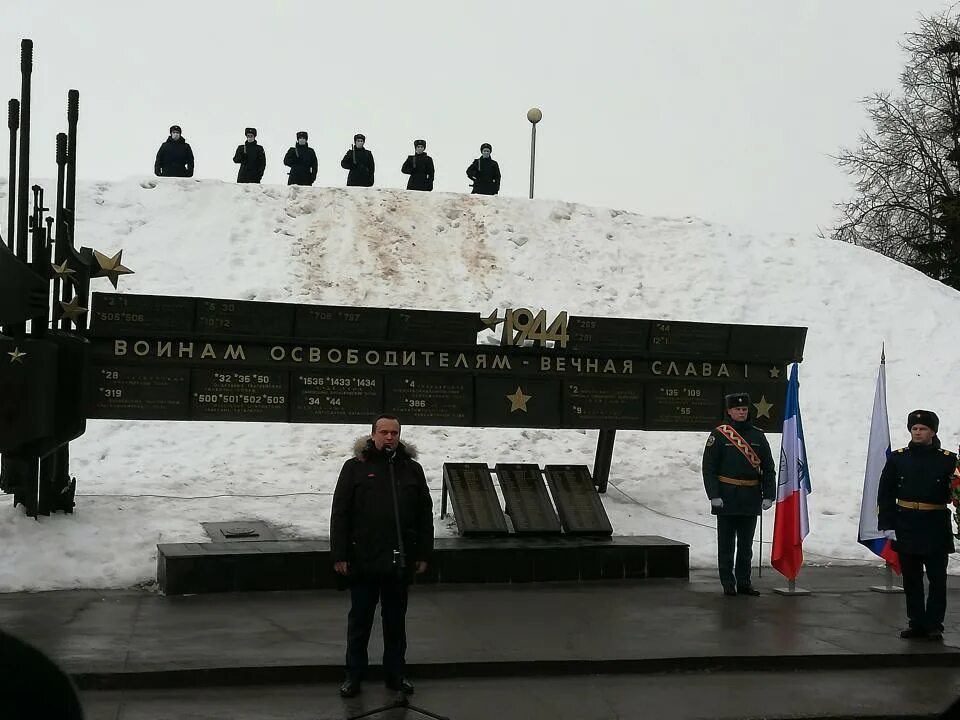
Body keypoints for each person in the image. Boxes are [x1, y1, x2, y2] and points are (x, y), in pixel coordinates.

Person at [330, 414, 433, 698]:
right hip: (363, 558)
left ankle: (396, 675)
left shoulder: (411, 470)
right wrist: (339, 554)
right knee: (360, 621)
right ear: (373, 435)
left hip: (398, 561)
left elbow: (424, 514)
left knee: (395, 622)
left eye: (394, 433)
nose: (389, 437)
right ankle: (353, 675)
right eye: (384, 432)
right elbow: (340, 513)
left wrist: (423, 553)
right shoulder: (355, 467)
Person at [878, 410, 957, 640]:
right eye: (914, 428)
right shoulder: (898, 458)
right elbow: (885, 493)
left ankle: (934, 624)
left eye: (923, 429)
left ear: (932, 432)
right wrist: (888, 523)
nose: (918, 432)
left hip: (934, 525)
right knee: (911, 579)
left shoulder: (948, 459)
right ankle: (916, 622)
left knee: (937, 579)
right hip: (907, 524)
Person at [702, 392, 776, 596]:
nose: (741, 412)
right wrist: (713, 495)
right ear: (729, 411)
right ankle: (727, 582)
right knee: (726, 544)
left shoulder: (758, 435)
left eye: (744, 409)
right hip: (726, 496)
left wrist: (769, 494)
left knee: (746, 545)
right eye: (737, 409)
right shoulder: (719, 435)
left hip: (751, 496)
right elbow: (709, 468)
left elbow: (768, 467)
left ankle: (744, 582)